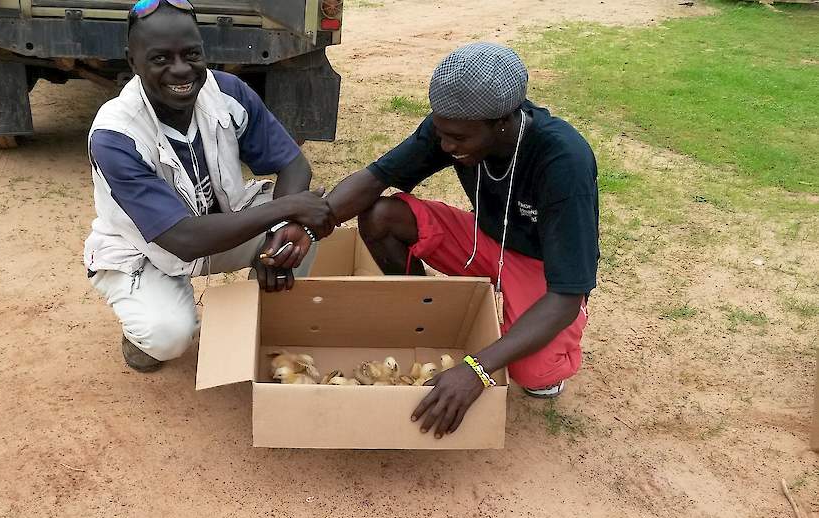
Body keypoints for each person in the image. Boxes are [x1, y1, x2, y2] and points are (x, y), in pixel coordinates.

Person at [327, 43, 599, 438]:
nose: (447, 147)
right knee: (381, 215)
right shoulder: (451, 126)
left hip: (539, 264)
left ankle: (547, 346)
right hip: (483, 239)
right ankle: (427, 318)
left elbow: (566, 294)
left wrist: (476, 370)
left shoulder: (563, 160)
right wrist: (313, 223)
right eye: (441, 134)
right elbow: (376, 178)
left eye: (457, 138)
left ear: (503, 121)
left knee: (534, 376)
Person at [84, 0, 333, 372]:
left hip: (225, 225)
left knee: (304, 237)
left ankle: (259, 321)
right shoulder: (115, 134)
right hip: (150, 249)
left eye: (191, 54)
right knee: (167, 335)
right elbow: (183, 239)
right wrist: (286, 210)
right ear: (132, 63)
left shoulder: (227, 91)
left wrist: (279, 236)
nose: (181, 69)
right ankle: (144, 332)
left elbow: (292, 162)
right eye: (160, 59)